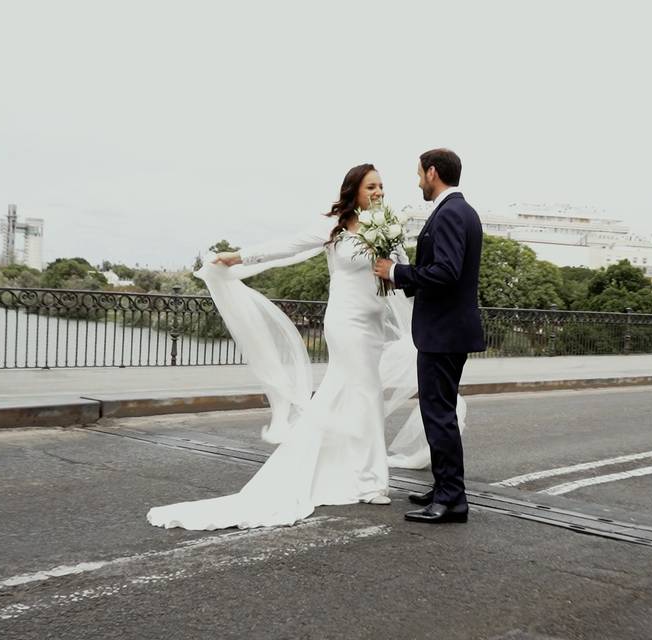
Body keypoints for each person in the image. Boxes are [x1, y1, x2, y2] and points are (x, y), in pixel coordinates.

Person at [147, 163, 441, 531]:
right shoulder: (334, 227)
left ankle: (355, 470)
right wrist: (238, 257)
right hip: (345, 322)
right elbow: (287, 246)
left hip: (373, 323)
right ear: (354, 190)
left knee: (358, 394)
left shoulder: (388, 229)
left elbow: (402, 272)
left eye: (381, 186)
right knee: (365, 393)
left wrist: (399, 269)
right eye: (371, 186)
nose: (379, 192)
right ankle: (369, 480)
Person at [374, 148, 485, 524]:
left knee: (438, 415)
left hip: (444, 333)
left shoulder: (451, 212)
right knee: (439, 412)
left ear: (433, 172)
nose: (418, 180)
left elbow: (446, 272)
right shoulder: (461, 211)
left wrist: (396, 273)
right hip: (448, 330)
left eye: (420, 173)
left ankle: (452, 500)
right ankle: (444, 487)